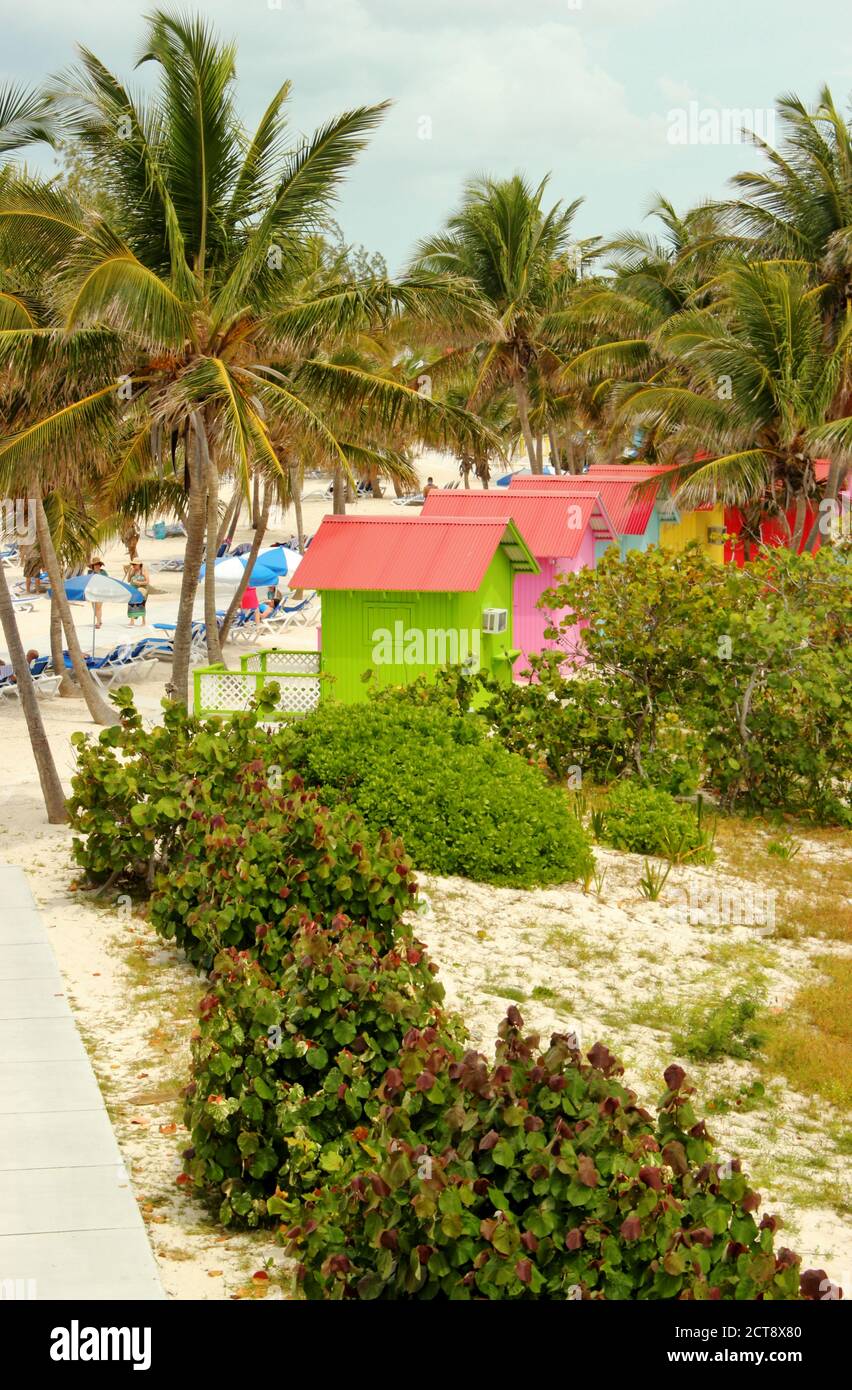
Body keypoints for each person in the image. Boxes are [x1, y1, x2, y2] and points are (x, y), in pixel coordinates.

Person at [125, 559, 150, 626]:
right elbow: (128, 580)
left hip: (142, 589)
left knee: (141, 604)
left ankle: (143, 621)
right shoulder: (133, 570)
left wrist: (139, 583)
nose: (133, 566)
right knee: (131, 604)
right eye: (133, 564)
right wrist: (128, 572)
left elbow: (147, 582)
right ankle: (132, 621)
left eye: (135, 564)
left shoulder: (143, 571)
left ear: (139, 564)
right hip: (133, 589)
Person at [88, 557, 107, 628]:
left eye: (98, 564)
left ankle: (98, 622)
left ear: (100, 565)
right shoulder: (89, 572)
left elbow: (107, 581)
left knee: (98, 607)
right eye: (95, 564)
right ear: (93, 566)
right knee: (94, 608)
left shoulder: (103, 572)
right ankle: (99, 619)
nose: (97, 566)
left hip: (101, 592)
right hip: (92, 592)